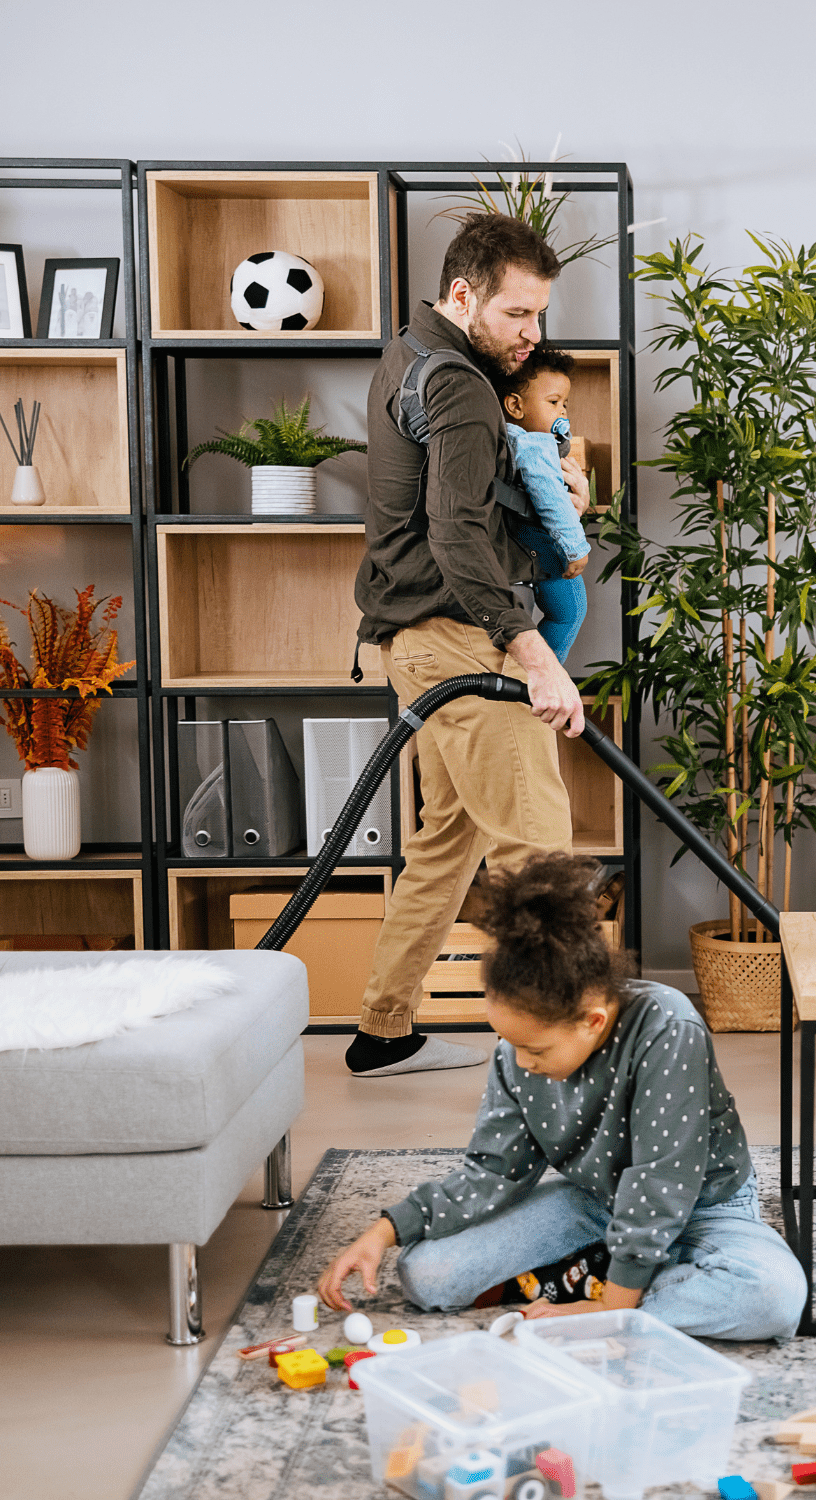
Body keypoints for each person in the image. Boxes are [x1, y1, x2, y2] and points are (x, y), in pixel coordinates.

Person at [316, 852, 808, 1342]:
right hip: (597, 1201)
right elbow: (492, 1173)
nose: (521, 1062)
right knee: (426, 1276)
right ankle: (627, 1274)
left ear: (592, 1020)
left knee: (773, 1296)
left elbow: (659, 1189)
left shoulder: (668, 1026)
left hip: (705, 1206)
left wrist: (603, 1317)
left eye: (535, 1049)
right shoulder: (515, 1053)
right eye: (510, 1043)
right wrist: (382, 1233)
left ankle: (612, 1289)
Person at [346, 213, 593, 1077]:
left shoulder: (406, 355)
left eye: (539, 317)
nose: (533, 337)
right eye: (519, 315)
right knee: (540, 851)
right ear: (464, 295)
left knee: (446, 846)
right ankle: (565, 1059)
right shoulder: (457, 384)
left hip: (406, 640)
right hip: (453, 642)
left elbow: (460, 515)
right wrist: (537, 656)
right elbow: (455, 537)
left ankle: (383, 1031)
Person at [498, 345, 591, 663]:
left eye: (564, 404)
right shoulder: (535, 444)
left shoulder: (508, 438)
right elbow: (551, 500)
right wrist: (576, 546)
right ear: (515, 405)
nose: (562, 412)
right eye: (553, 402)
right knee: (569, 612)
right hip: (545, 548)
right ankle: (545, 676)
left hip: (521, 547)